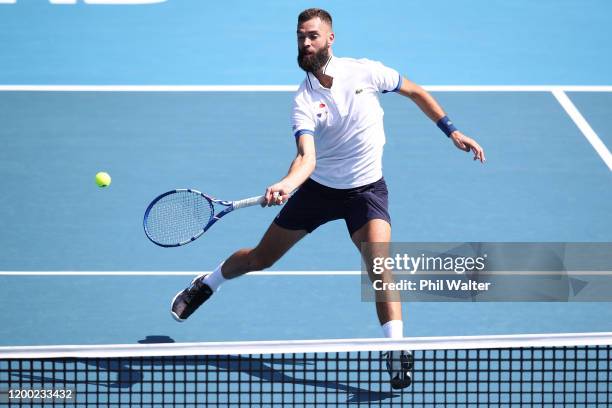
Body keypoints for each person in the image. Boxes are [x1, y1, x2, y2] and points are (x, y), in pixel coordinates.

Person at [171, 8, 485, 389]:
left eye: (313, 36)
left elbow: (416, 91)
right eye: (300, 36)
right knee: (260, 258)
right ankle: (209, 282)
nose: (305, 43)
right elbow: (307, 157)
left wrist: (451, 131)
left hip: (366, 191)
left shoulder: (366, 71)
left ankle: (397, 349)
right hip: (318, 191)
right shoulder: (302, 100)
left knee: (380, 266)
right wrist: (288, 183)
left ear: (330, 39)